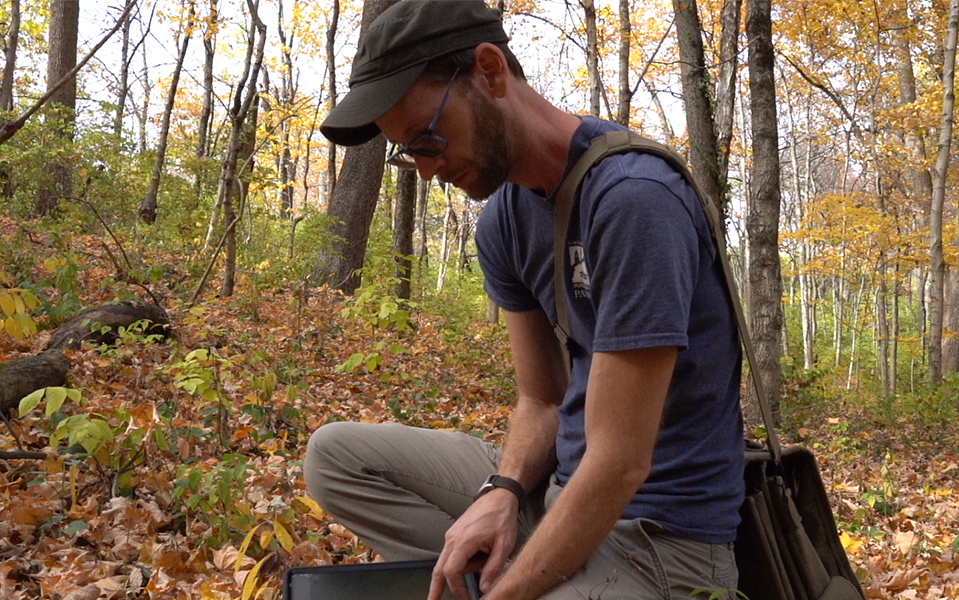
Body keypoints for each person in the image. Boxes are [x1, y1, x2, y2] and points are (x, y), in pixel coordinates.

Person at [305, 1, 745, 599]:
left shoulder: (634, 199)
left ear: (489, 72)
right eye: (408, 153)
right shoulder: (504, 222)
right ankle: (502, 566)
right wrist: (503, 492)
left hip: (659, 543)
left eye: (428, 140)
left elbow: (620, 463)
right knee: (335, 457)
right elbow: (541, 398)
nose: (428, 171)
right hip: (558, 491)